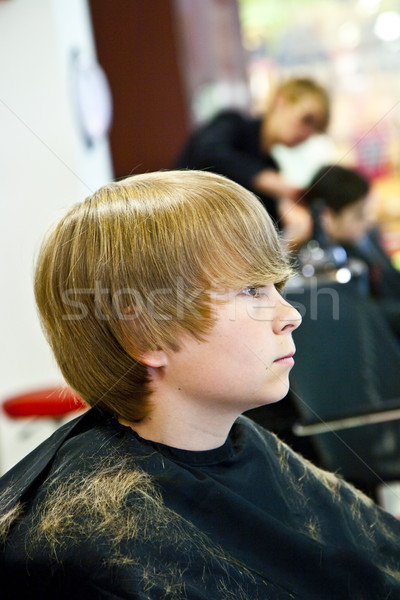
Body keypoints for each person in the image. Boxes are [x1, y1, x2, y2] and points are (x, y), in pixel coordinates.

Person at [1, 170, 400, 600]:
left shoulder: (241, 442)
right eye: (250, 291)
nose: (291, 315)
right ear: (145, 332)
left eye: (274, 286)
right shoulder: (85, 551)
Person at [174, 77, 330, 224]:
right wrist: (268, 180)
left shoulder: (271, 166)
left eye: (316, 130)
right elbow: (208, 152)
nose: (308, 133)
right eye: (307, 119)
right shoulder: (233, 124)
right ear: (281, 101)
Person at [302, 164, 400, 336]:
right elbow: (365, 314)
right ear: (326, 217)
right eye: (358, 214)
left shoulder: (366, 238)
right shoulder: (323, 265)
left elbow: (391, 278)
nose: (367, 220)